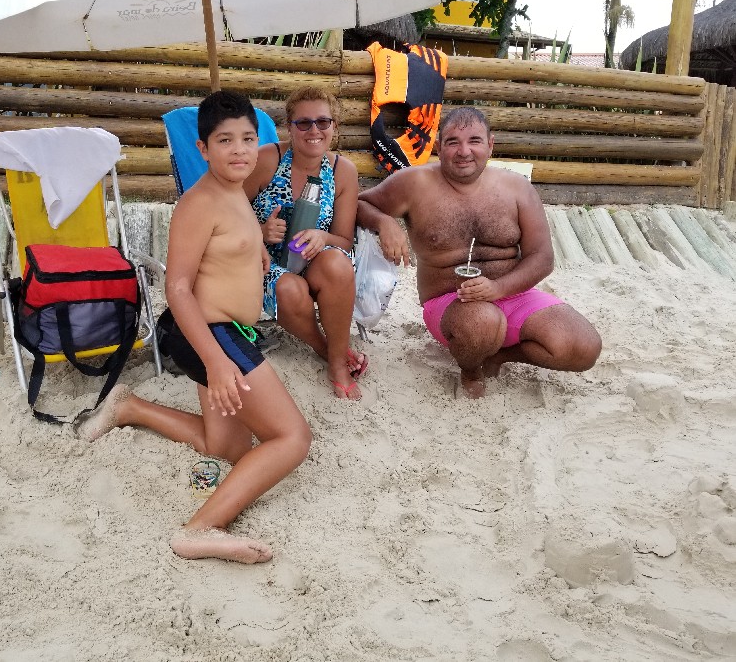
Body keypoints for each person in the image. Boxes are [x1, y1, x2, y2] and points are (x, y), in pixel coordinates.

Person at [81, 91, 312, 564]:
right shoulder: (199, 203)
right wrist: (216, 361)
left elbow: (224, 249)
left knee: (227, 447)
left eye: (247, 138)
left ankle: (131, 408)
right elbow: (178, 288)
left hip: (221, 333)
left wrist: (257, 243)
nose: (239, 150)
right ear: (203, 149)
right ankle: (200, 528)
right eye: (225, 140)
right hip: (210, 335)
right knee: (292, 438)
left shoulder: (235, 192)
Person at [357, 106, 601, 399]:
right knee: (482, 322)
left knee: (583, 346)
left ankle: (498, 357)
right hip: (450, 303)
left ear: (490, 144)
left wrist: (498, 288)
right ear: (438, 147)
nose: (464, 152)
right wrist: (384, 222)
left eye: (474, 141)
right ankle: (471, 370)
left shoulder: (517, 188)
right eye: (453, 142)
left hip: (514, 294)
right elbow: (360, 204)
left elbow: (542, 258)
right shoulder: (413, 183)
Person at [243, 87, 367, 401]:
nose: (314, 130)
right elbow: (226, 212)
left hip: (312, 259)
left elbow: (344, 241)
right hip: (262, 261)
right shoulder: (267, 160)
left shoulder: (342, 172)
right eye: (304, 123)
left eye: (323, 122)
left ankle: (337, 366)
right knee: (289, 289)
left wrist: (322, 237)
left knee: (337, 264)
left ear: (334, 127)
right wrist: (260, 231)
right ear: (290, 126)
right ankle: (327, 350)